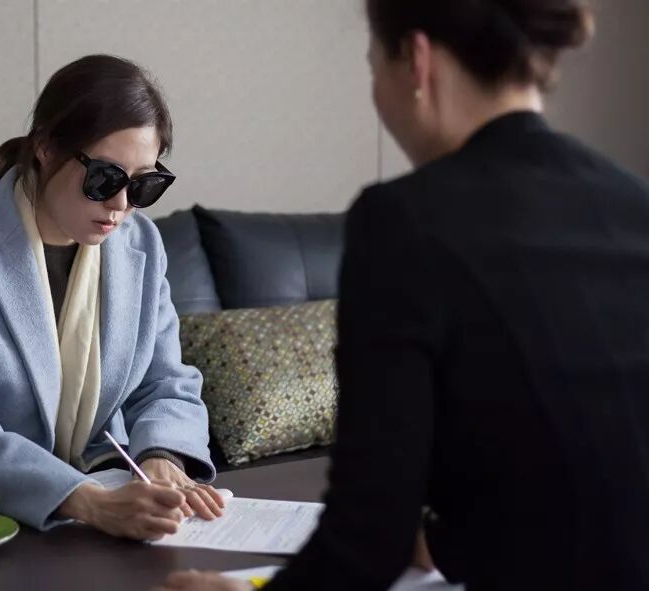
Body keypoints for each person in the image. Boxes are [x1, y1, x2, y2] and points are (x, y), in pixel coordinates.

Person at [154, 0, 649, 589]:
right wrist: (448, 540)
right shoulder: (633, 204)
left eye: (374, 66)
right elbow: (574, 459)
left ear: (416, 61)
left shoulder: (404, 222)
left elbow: (369, 538)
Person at [0, 54, 225, 540]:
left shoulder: (142, 245)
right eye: (105, 178)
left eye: (142, 185)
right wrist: (92, 503)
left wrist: (161, 457)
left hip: (99, 478)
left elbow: (165, 382)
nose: (120, 205)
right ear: (47, 148)